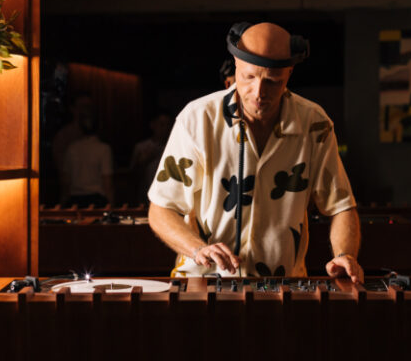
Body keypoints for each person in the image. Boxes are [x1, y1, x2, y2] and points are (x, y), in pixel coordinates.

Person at [148, 22, 363, 281]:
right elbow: (161, 209)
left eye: (272, 82)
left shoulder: (315, 123)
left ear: (289, 73)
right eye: (249, 77)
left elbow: (341, 206)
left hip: (283, 284)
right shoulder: (197, 118)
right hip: (202, 281)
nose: (259, 92)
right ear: (236, 65)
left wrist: (345, 254)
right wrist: (197, 249)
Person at [62, 99, 114, 207]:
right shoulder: (104, 149)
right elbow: (107, 183)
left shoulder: (72, 149)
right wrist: (111, 205)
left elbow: (66, 182)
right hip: (96, 200)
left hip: (76, 200)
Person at [129, 110, 174, 205]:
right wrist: (144, 161)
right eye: (161, 124)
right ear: (153, 125)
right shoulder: (142, 147)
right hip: (146, 195)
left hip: (169, 196)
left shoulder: (174, 147)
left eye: (168, 125)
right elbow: (133, 175)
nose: (165, 128)